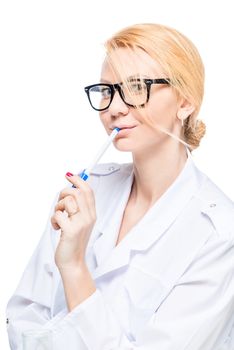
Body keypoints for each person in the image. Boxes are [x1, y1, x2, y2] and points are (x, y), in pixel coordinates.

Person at [6, 23, 234, 350]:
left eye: (136, 87)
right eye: (106, 90)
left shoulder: (219, 235)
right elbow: (23, 316)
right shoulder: (87, 192)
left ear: (186, 102)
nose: (114, 108)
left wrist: (73, 267)